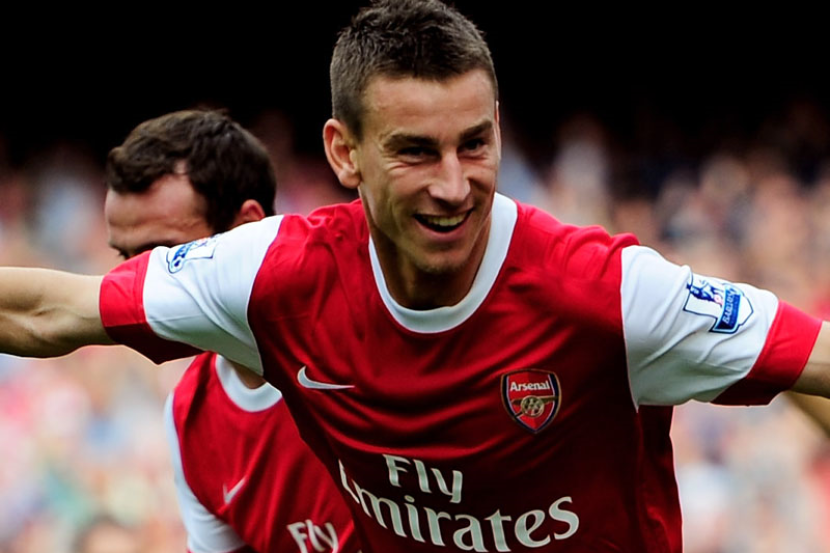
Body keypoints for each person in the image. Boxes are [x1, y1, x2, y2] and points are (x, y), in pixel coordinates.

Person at [1, 1, 830, 551]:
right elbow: (48, 312)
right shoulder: (273, 277)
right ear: (344, 153)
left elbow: (811, 357)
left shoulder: (607, 293)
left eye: (474, 143)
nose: (454, 184)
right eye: (415, 151)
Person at [103, 109, 360, 553]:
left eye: (161, 257)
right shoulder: (189, 418)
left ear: (246, 230)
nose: (134, 287)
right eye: (124, 258)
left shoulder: (365, 336)